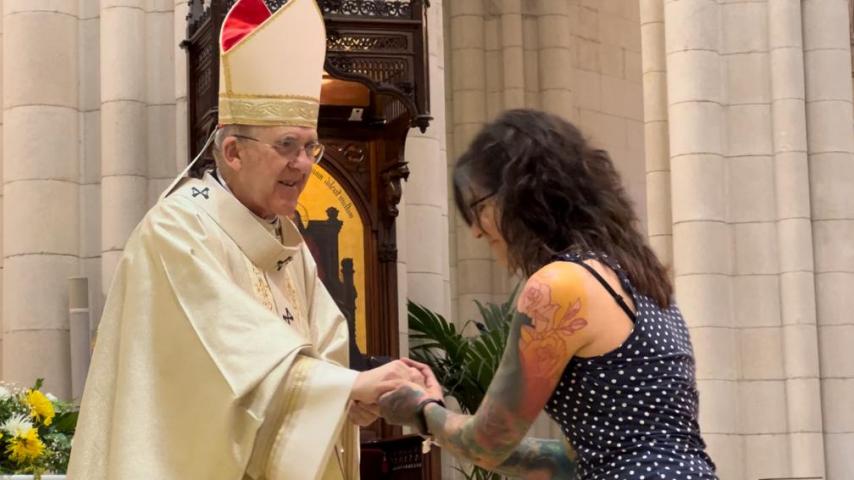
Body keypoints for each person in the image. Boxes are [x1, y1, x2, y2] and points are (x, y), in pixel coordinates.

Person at [67, 0, 420, 478]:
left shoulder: (291, 252)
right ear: (232, 151)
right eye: (287, 146)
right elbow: (227, 367)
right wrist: (346, 388)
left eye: (310, 147)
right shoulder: (177, 232)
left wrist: (354, 395)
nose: (303, 164)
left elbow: (325, 357)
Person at [378, 109, 718, 479]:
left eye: (478, 208)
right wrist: (439, 417)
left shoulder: (560, 285)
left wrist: (423, 411)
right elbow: (565, 460)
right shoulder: (640, 279)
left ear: (522, 194)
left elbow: (488, 443)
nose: (476, 231)